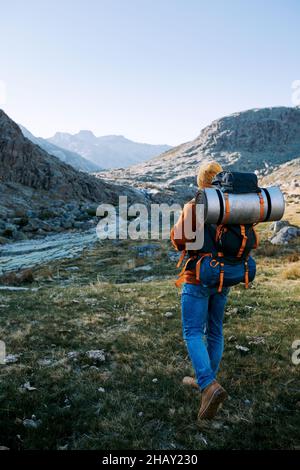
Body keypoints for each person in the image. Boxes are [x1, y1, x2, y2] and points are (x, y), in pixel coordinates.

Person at [170, 161, 229, 420]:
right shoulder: (233, 207)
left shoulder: (194, 205)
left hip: (196, 277)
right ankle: (207, 380)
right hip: (224, 277)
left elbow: (178, 239)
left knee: (193, 332)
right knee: (215, 330)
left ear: (200, 182)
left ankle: (207, 384)